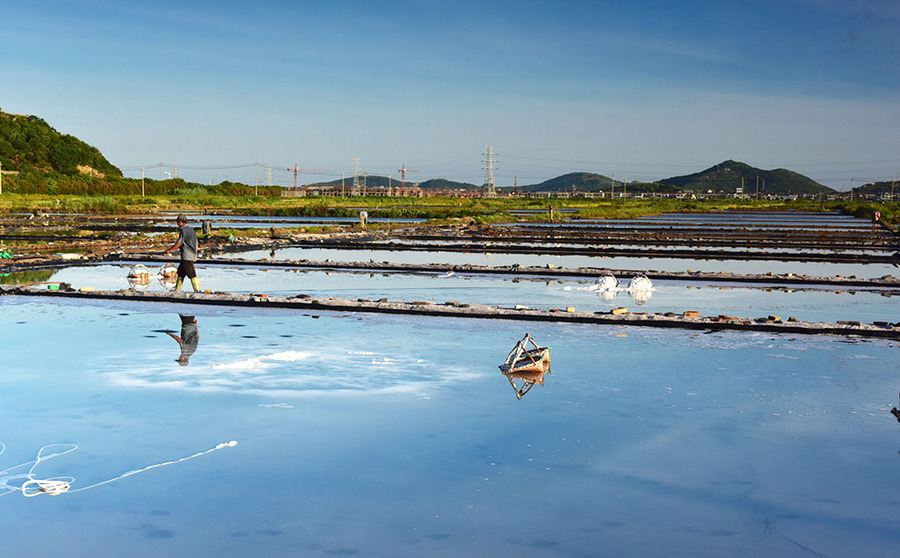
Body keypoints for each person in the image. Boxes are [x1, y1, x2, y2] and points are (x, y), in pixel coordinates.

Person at [164, 215, 201, 292]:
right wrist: (195, 254)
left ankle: (198, 290)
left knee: (192, 274)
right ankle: (177, 289)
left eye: (178, 223)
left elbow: (179, 243)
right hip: (190, 254)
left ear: (181, 222)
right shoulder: (191, 230)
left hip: (186, 255)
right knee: (180, 273)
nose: (177, 224)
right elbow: (196, 245)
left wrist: (169, 250)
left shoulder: (183, 230)